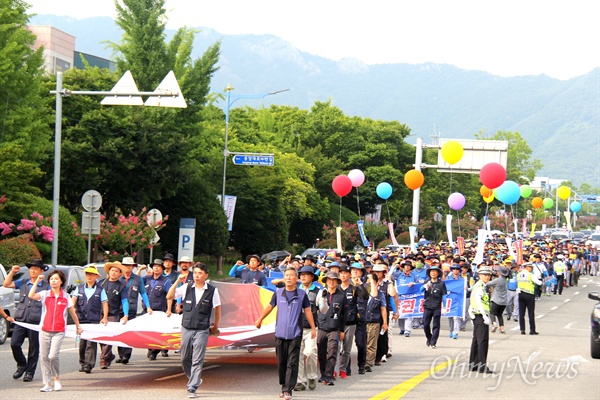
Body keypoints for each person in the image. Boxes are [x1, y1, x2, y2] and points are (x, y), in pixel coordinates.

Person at [255, 268, 317, 400]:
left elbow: (307, 311)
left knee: (292, 362)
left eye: (291, 275)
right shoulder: (278, 293)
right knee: (282, 362)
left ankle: (288, 390)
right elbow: (269, 307)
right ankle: (284, 385)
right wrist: (260, 319)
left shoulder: (301, 294)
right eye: (286, 275)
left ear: (296, 279)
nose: (288, 278)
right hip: (280, 334)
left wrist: (313, 328)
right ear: (284, 278)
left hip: (295, 334)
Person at [166, 263, 221, 399]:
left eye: (200, 273)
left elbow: (218, 309)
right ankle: (193, 377)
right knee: (184, 357)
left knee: (198, 358)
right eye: (195, 273)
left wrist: (215, 327)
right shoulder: (186, 287)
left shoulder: (213, 291)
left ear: (206, 275)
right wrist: (177, 281)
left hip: (202, 329)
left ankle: (192, 387)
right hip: (186, 327)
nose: (197, 275)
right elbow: (169, 296)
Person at [28, 269, 83, 392]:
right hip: (44, 330)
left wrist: (78, 327)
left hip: (59, 330)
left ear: (61, 281)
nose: (54, 281)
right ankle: (47, 383)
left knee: (53, 356)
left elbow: (73, 314)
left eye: (56, 279)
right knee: (44, 357)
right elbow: (31, 295)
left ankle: (56, 378)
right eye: (52, 279)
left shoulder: (66, 297)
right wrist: (37, 281)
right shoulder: (45, 294)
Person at [3, 258, 49, 382]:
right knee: (14, 344)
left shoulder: (46, 287)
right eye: (31, 268)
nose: (33, 270)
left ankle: (30, 372)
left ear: (41, 271)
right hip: (21, 319)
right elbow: (6, 284)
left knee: (34, 348)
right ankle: (22, 364)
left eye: (36, 269)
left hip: (36, 321)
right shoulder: (23, 282)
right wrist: (12, 272)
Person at [72, 265, 108, 373]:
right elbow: (73, 301)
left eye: (92, 274)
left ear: (96, 276)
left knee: (91, 343)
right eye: (87, 274)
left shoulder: (100, 289)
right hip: (81, 319)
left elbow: (105, 303)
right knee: (82, 343)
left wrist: (105, 317)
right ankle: (83, 362)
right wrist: (72, 311)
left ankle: (89, 364)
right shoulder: (79, 288)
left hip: (94, 319)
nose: (89, 276)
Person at [117, 256, 152, 363]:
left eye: (130, 266)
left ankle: (126, 355)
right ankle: (121, 353)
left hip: (131, 309)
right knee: (119, 332)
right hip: (117, 309)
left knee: (128, 332)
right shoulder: (118, 278)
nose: (128, 268)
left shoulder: (137, 279)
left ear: (133, 267)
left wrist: (148, 306)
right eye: (125, 265)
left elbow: (144, 294)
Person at [316, 271, 347, 386]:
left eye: (334, 280)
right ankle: (323, 373)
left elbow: (344, 314)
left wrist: (342, 330)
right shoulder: (321, 293)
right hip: (322, 327)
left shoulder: (341, 295)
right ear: (326, 281)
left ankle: (329, 376)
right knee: (321, 352)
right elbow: (315, 308)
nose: (331, 282)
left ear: (337, 282)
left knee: (333, 351)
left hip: (334, 328)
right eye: (329, 279)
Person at [337, 264, 368, 378]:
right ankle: (346, 368)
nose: (343, 275)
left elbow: (365, 297)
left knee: (360, 344)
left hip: (354, 320)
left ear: (349, 275)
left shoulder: (354, 288)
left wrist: (360, 285)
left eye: (346, 273)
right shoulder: (337, 288)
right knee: (343, 347)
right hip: (340, 322)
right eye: (341, 273)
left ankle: (361, 365)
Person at [100, 261, 129, 369]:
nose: (113, 273)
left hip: (113, 315)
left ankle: (103, 359)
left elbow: (124, 301)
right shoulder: (102, 283)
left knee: (108, 337)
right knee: (101, 338)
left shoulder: (121, 286)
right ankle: (109, 356)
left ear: (120, 274)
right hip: (100, 314)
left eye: (116, 271)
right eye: (112, 270)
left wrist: (125, 315)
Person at [295, 266, 320, 392]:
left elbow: (323, 309)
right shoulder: (295, 290)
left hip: (311, 329)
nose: (303, 276)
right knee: (297, 356)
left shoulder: (318, 291)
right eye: (301, 274)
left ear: (312, 277)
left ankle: (311, 376)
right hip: (296, 329)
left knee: (310, 352)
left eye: (306, 274)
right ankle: (300, 381)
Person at [144, 259, 173, 360]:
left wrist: (169, 309)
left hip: (159, 310)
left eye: (158, 266)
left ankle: (154, 351)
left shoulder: (165, 281)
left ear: (162, 268)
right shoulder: (146, 279)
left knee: (157, 332)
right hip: (147, 310)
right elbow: (136, 282)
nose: (156, 268)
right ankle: (150, 348)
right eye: (154, 266)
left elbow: (169, 296)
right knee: (148, 331)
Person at [468, 265, 494, 374]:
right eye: (485, 275)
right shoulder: (479, 287)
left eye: (488, 275)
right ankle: (482, 366)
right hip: (480, 315)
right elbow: (478, 301)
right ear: (479, 275)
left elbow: (473, 300)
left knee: (476, 340)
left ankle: (473, 364)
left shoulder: (480, 286)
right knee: (482, 341)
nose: (487, 277)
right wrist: (484, 316)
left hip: (477, 315)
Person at [364, 271, 387, 372]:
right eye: (368, 280)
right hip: (362, 321)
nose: (369, 282)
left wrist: (385, 323)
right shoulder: (363, 291)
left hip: (374, 321)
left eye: (372, 281)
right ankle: (362, 361)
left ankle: (368, 363)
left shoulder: (380, 294)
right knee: (362, 343)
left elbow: (383, 309)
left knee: (371, 344)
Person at [421, 265, 447, 349]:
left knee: (436, 325)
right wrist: (424, 287)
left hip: (437, 306)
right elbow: (420, 290)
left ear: (438, 273)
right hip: (427, 306)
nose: (433, 273)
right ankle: (429, 337)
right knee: (425, 324)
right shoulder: (426, 282)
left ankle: (433, 342)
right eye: (432, 271)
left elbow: (444, 296)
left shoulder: (441, 283)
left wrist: (444, 307)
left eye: (435, 271)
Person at [517, 262, 542, 335]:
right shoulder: (530, 275)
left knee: (521, 313)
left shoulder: (519, 274)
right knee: (531, 313)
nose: (532, 268)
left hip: (521, 294)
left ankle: (522, 329)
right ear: (527, 267)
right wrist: (541, 282)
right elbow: (538, 283)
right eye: (531, 267)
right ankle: (532, 330)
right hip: (529, 294)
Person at [486, 265, 509, 334]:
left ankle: (494, 324)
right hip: (504, 301)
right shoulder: (505, 280)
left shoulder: (498, 280)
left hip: (496, 300)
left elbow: (487, 283)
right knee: (499, 314)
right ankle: (502, 328)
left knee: (492, 313)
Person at [445, 263, 463, 339]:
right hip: (449, 300)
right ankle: (451, 330)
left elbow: (467, 288)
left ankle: (456, 332)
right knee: (450, 317)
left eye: (457, 269)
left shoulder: (462, 280)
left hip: (458, 300)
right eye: (454, 269)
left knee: (456, 317)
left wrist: (467, 288)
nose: (455, 271)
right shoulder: (448, 279)